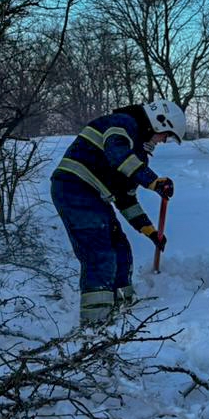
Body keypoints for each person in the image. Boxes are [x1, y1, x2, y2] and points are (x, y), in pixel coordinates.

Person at [50, 99, 184, 326]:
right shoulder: (122, 123)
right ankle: (95, 325)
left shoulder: (138, 154)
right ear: (159, 122)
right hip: (74, 187)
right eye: (166, 135)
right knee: (100, 253)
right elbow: (117, 153)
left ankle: (123, 309)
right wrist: (153, 182)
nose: (163, 141)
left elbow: (125, 198)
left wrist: (150, 231)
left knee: (120, 247)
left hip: (93, 195)